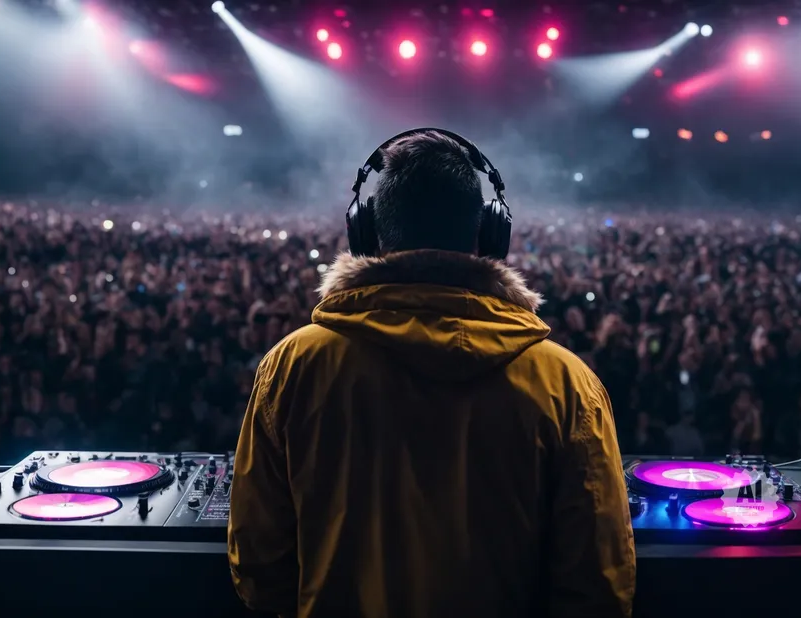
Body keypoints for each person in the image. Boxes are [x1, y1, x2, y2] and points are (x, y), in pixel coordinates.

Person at [228, 130, 636, 618]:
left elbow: (259, 567)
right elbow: (598, 585)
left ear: (367, 234)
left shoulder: (293, 367)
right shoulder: (566, 384)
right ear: (489, 235)